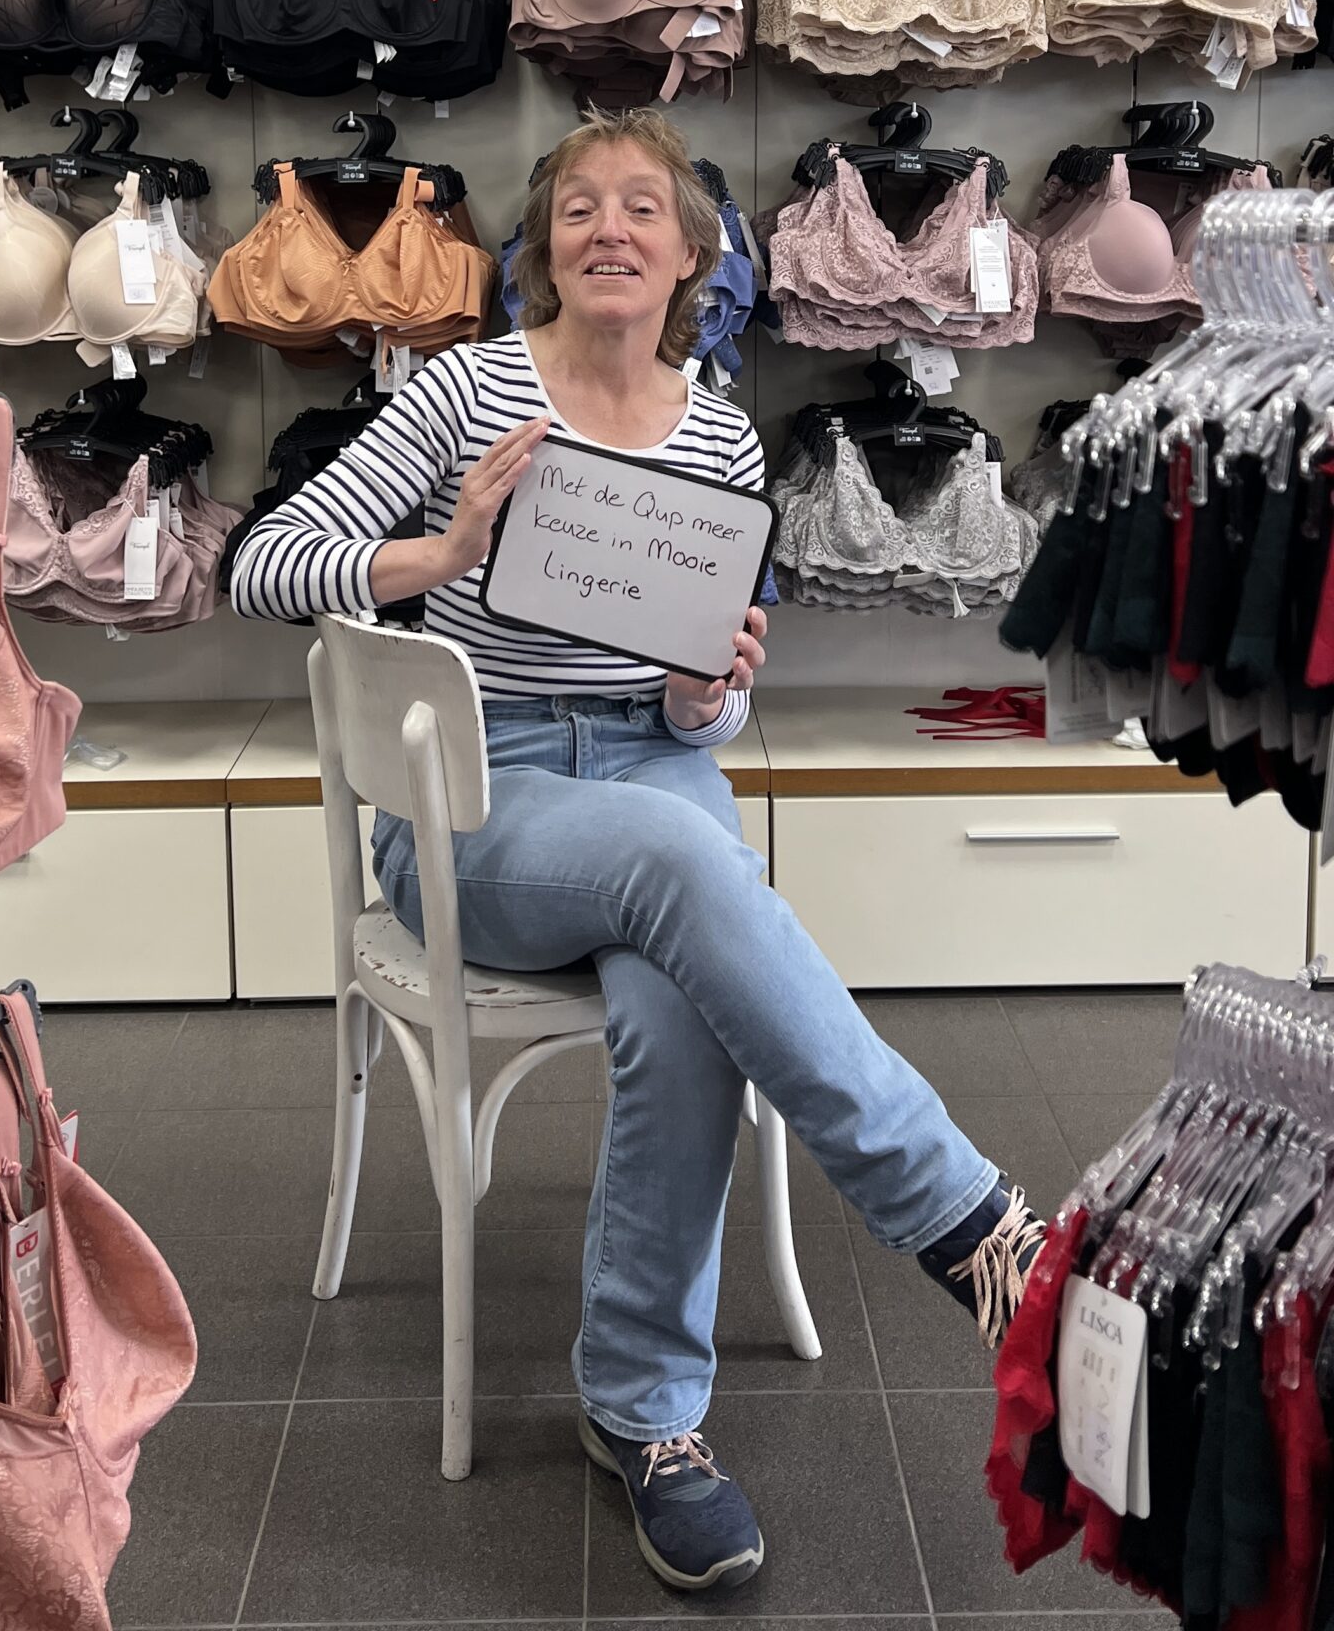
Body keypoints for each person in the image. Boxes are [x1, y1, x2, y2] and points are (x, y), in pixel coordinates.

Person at [233, 107, 1044, 1593]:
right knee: (691, 870)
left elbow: (708, 710)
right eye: (580, 208)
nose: (611, 228)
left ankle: (646, 1415)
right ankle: (969, 1223)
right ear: (543, 253)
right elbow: (263, 565)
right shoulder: (463, 391)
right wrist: (441, 557)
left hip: (654, 770)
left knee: (682, 995)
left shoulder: (721, 431)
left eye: (644, 209)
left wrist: (702, 688)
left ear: (690, 259)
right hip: (480, 797)